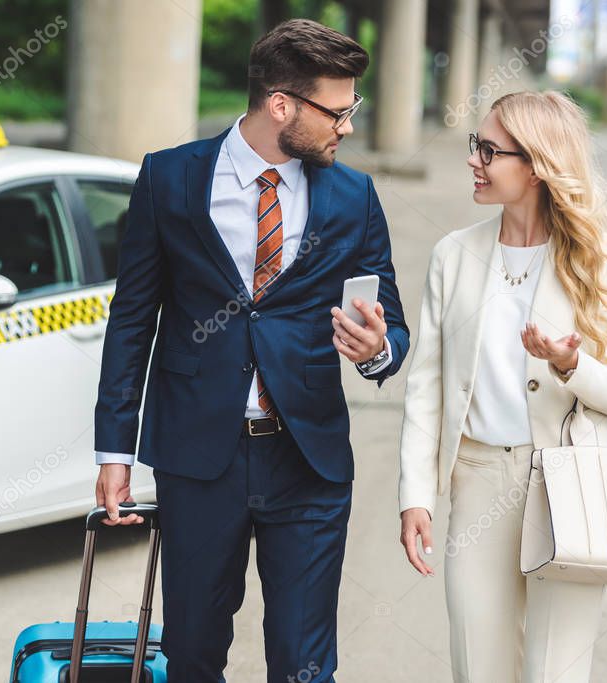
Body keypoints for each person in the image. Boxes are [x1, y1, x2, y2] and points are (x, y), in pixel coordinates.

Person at [93, 18, 409, 682]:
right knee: (194, 653)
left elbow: (394, 328)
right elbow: (132, 322)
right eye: (338, 110)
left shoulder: (354, 197)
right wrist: (115, 450)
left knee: (303, 661)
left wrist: (377, 348)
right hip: (200, 459)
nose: (347, 127)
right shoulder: (169, 179)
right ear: (281, 104)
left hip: (309, 461)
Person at [398, 89, 607, 682]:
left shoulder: (602, 261)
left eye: (489, 150)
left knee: (555, 670)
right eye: (474, 145)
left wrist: (569, 366)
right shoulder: (453, 255)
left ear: (535, 166)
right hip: (479, 479)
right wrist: (416, 494)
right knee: (478, 665)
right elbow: (426, 386)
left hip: (570, 481)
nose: (473, 161)